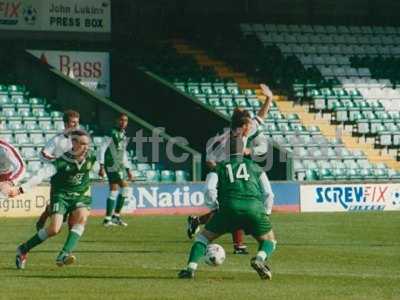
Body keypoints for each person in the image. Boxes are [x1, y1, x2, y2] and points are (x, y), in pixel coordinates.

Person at [187, 84, 274, 254]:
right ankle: (239, 245)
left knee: (228, 209)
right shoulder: (225, 140)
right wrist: (221, 171)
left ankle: (197, 221)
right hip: (223, 175)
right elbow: (210, 161)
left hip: (234, 172)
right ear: (243, 126)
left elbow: (260, 117)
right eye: (249, 123)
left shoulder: (243, 132)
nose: (252, 126)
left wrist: (269, 98)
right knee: (233, 206)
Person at [179, 129, 276, 280]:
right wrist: (267, 212)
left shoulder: (219, 167)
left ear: (225, 150)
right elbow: (269, 193)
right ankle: (259, 259)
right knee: (269, 240)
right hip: (254, 209)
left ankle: (190, 269)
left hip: (228, 210)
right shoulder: (256, 168)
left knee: (202, 239)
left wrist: (214, 208)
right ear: (243, 150)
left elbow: (209, 189)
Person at [13, 130, 95, 269]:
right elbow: (40, 175)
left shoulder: (91, 157)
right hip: (61, 196)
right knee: (54, 229)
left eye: (87, 144)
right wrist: (21, 189)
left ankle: (64, 254)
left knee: (82, 217)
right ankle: (23, 249)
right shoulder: (62, 161)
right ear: (74, 143)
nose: (86, 147)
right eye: (82, 144)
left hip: (79, 196)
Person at [35, 110, 80, 230]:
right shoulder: (57, 139)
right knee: (59, 214)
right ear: (65, 124)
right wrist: (57, 161)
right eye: (72, 122)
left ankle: (69, 246)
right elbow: (43, 154)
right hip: (59, 179)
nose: (75, 125)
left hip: (74, 179)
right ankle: (45, 214)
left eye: (77, 122)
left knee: (74, 215)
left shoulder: (80, 139)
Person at [98, 113, 134, 227]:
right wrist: (101, 166)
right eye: (121, 120)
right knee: (125, 187)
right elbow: (102, 149)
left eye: (126, 121)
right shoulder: (111, 132)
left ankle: (108, 219)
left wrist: (128, 169)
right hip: (111, 163)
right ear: (116, 120)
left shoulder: (123, 134)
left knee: (113, 190)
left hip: (119, 164)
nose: (124, 122)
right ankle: (116, 216)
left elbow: (123, 153)